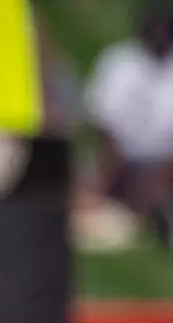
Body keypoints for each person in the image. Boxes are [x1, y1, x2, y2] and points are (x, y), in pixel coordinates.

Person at [82, 0, 173, 245]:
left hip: (160, 167)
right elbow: (103, 126)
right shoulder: (118, 62)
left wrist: (149, 189)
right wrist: (104, 180)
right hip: (115, 157)